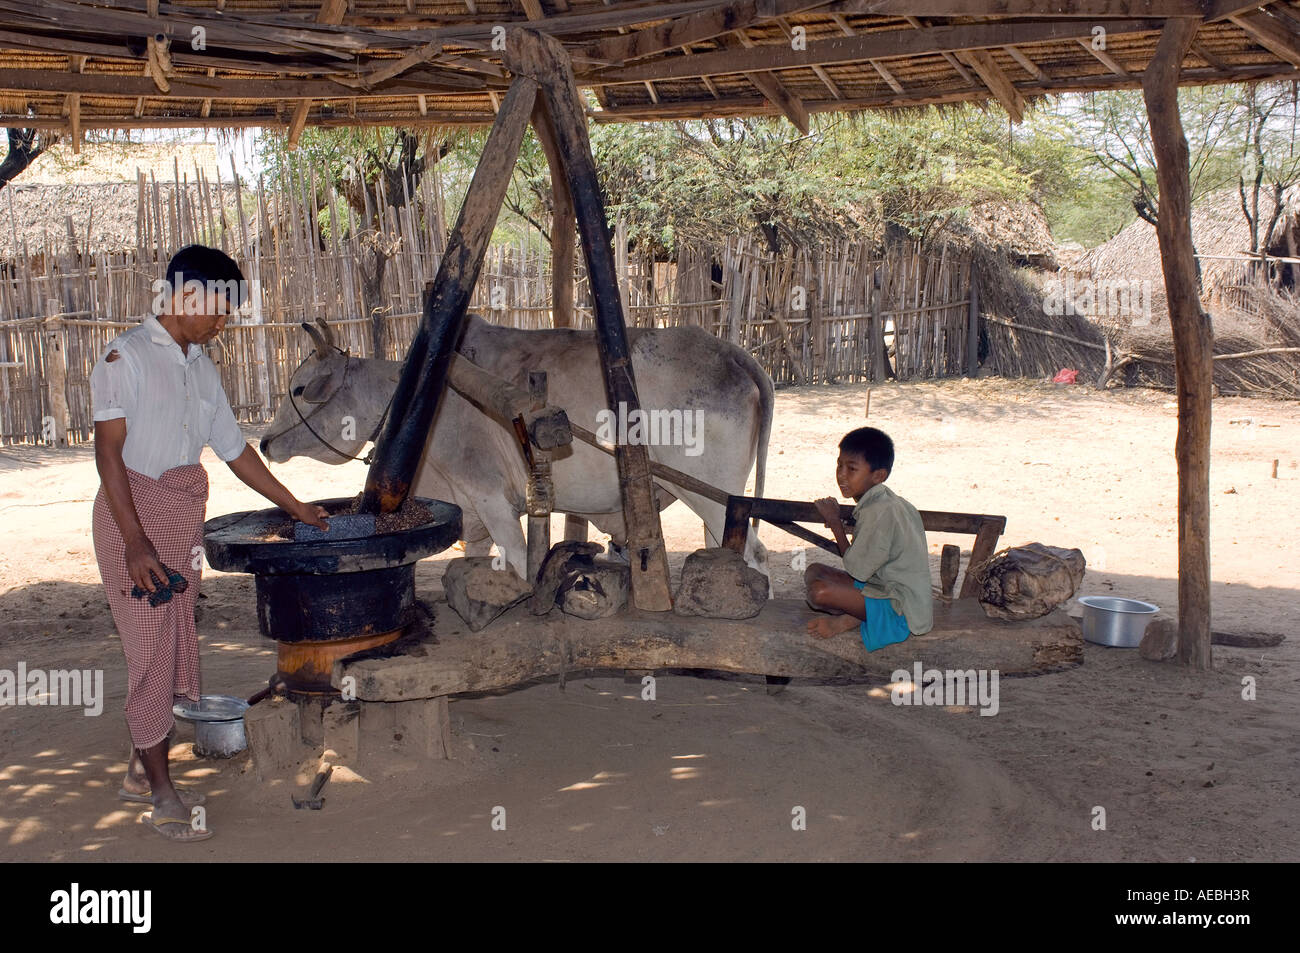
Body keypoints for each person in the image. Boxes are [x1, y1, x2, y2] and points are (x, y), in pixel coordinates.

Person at [90, 244, 329, 843]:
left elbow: (234, 450)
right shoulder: (126, 358)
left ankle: (139, 770)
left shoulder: (201, 367)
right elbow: (108, 455)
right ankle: (163, 793)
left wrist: (296, 506)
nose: (225, 323)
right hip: (133, 521)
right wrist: (135, 542)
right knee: (149, 652)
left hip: (178, 519)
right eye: (220, 310)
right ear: (187, 296)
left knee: (169, 644)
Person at [804, 426, 933, 647]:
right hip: (883, 586)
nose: (841, 474)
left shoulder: (879, 511)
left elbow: (857, 570)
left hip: (901, 607)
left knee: (819, 592)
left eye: (852, 468)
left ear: (878, 475)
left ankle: (847, 620)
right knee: (813, 571)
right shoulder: (886, 501)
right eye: (839, 465)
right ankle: (858, 611)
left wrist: (835, 523)